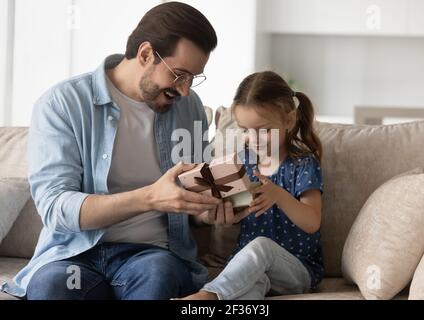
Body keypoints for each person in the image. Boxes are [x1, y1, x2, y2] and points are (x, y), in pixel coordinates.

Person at [0, 2, 239, 300]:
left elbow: (192, 197)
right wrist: (149, 197)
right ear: (146, 54)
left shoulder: (189, 109)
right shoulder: (62, 104)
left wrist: (208, 213)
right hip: (73, 256)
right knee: (53, 287)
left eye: (194, 77)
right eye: (179, 75)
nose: (186, 90)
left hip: (150, 256)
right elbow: (56, 208)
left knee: (158, 275)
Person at [180, 71, 325, 300]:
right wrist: (230, 213)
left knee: (262, 246)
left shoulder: (302, 164)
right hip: (250, 269)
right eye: (245, 130)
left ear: (288, 120)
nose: (253, 138)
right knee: (250, 290)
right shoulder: (244, 162)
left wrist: (279, 195)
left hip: (297, 270)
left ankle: (206, 297)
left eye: (263, 130)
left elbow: (312, 222)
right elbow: (239, 211)